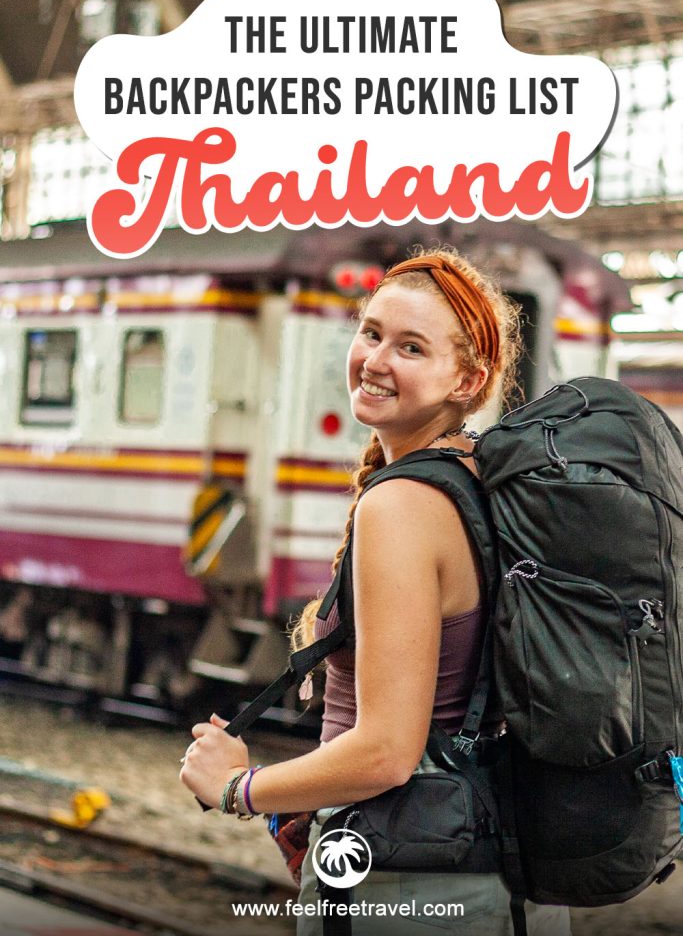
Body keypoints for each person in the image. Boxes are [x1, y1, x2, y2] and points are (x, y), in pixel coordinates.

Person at [179, 248, 571, 935]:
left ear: (467, 378)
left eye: (411, 347)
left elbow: (386, 753)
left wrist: (241, 788)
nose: (376, 359)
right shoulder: (485, 484)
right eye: (370, 332)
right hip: (494, 873)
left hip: (412, 886)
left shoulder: (402, 505)